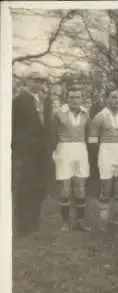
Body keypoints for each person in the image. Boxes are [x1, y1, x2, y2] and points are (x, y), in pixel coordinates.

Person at [12, 72, 53, 237]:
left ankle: (35, 222)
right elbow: (12, 127)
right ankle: (23, 225)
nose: (38, 84)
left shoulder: (47, 101)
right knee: (25, 187)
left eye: (41, 81)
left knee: (40, 186)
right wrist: (19, 148)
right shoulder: (18, 100)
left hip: (43, 151)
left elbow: (48, 126)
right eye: (35, 80)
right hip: (27, 150)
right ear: (27, 81)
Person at [88, 89, 118, 231]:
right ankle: (103, 220)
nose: (116, 100)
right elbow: (93, 140)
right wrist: (97, 157)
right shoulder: (100, 117)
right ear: (107, 99)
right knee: (106, 186)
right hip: (106, 150)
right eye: (113, 97)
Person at [51, 87, 91, 232]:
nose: (75, 100)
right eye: (72, 97)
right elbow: (52, 133)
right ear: (67, 99)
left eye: (77, 97)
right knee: (65, 187)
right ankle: (65, 222)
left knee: (80, 186)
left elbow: (88, 133)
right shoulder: (59, 113)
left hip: (81, 149)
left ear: (81, 99)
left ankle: (80, 221)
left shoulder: (86, 113)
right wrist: (54, 152)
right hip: (64, 149)